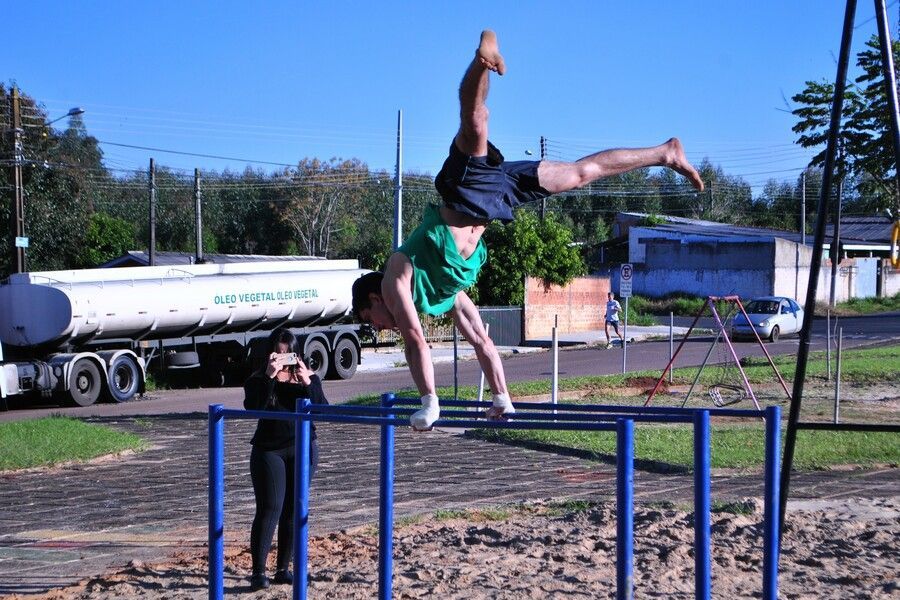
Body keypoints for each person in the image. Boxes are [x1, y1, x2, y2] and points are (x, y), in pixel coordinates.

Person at [352, 29, 704, 431]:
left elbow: (415, 337)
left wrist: (429, 402)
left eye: (371, 317)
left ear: (375, 296)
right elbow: (482, 342)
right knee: (577, 174)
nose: (380, 327)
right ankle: (665, 152)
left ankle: (483, 58)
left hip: (466, 192)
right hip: (496, 196)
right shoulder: (444, 292)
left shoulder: (398, 272)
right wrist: (502, 398)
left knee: (476, 123)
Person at [243, 328, 328, 590]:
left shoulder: (307, 378)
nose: (282, 359)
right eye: (277, 354)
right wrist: (269, 376)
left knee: (293, 509)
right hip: (269, 450)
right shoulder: (258, 379)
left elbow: (323, 410)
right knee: (270, 509)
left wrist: (309, 382)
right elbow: (253, 407)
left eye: (287, 353)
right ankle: (258, 572)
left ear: (296, 354)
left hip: (303, 448)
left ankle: (283, 568)